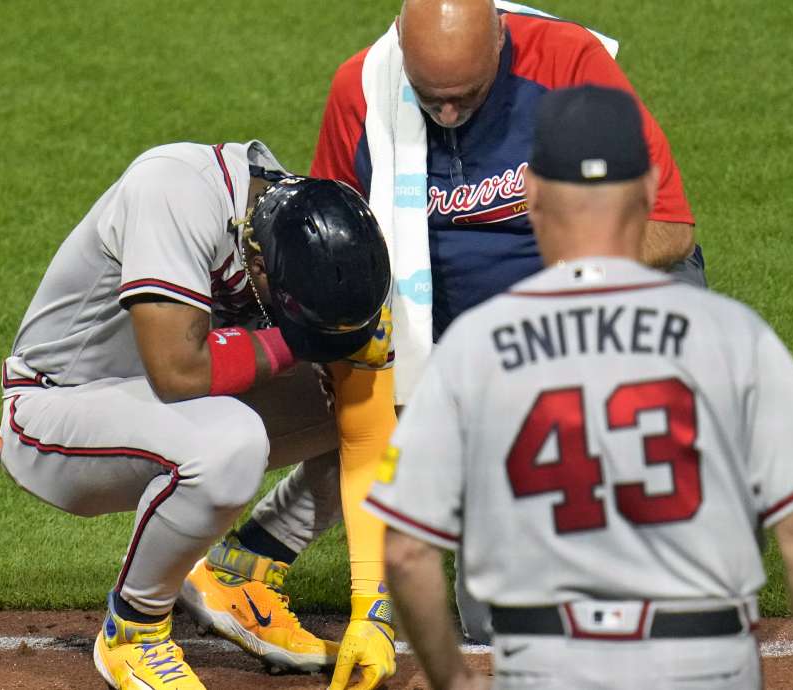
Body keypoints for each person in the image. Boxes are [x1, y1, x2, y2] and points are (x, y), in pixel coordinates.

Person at [227, 1, 703, 663]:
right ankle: (252, 555)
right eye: (432, 98)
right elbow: (339, 263)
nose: (448, 113)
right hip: (448, 335)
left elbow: (669, 231)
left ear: (501, 42)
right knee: (498, 623)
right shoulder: (363, 90)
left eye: (467, 96)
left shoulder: (567, 67)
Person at [368, 85, 793, 690]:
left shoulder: (474, 345)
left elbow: (408, 551)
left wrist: (453, 679)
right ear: (651, 193)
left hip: (548, 667)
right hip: (703, 665)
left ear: (533, 197)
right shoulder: (733, 335)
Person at [0, 141, 391, 689]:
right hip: (57, 411)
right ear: (258, 266)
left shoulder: (329, 247)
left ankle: (243, 571)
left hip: (169, 411)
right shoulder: (176, 190)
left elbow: (371, 431)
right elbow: (177, 372)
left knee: (391, 403)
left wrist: (371, 606)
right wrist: (295, 342)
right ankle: (133, 631)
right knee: (229, 443)